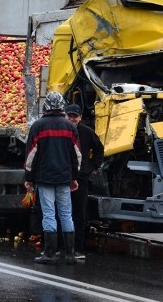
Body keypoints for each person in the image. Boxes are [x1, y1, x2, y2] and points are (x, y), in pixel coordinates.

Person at [24, 91, 81, 265]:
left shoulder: (38, 126)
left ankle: (49, 254)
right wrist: (74, 177)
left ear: (46, 106)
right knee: (66, 214)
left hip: (45, 178)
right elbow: (76, 155)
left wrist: (29, 178)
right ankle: (70, 255)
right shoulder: (70, 126)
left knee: (49, 214)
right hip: (64, 178)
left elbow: (31, 156)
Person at [65, 104, 104, 261]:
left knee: (79, 214)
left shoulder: (87, 132)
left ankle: (78, 248)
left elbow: (99, 149)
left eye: (75, 116)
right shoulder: (63, 131)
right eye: (70, 116)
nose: (72, 118)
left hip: (81, 179)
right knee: (62, 213)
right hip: (64, 177)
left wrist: (93, 166)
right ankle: (62, 247)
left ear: (80, 117)